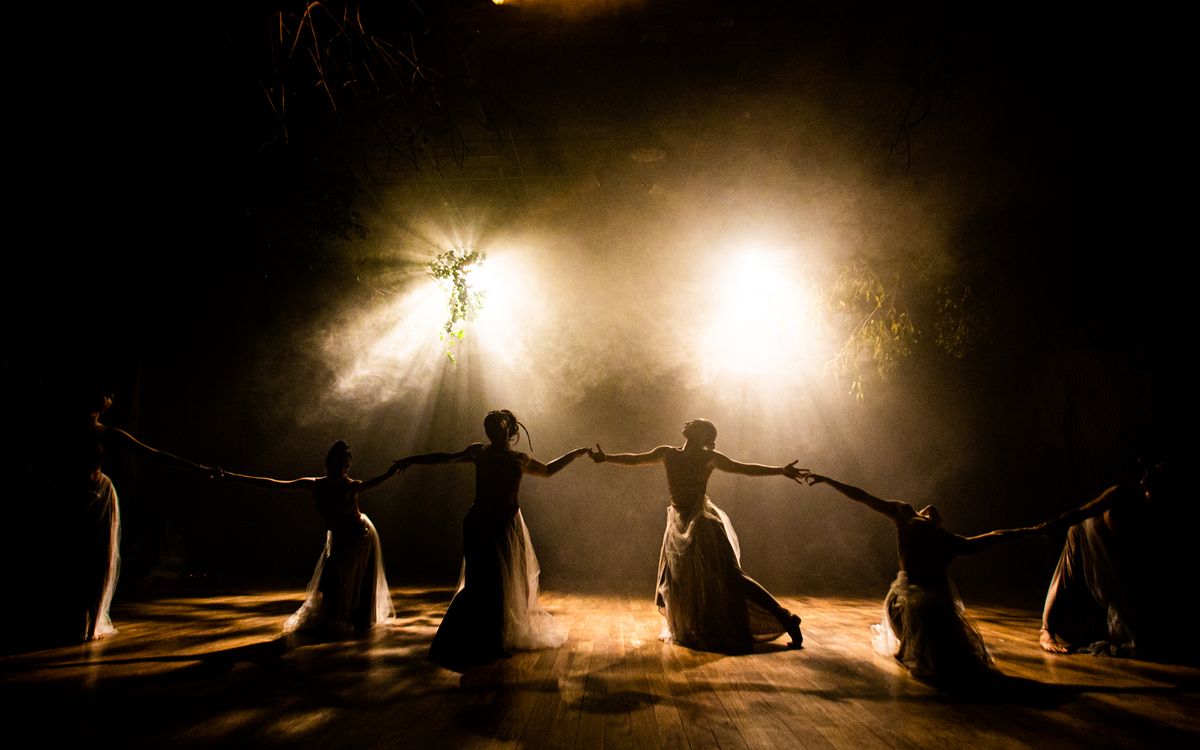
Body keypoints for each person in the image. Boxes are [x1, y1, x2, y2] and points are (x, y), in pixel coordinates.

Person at [803, 473, 1044, 688]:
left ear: (936, 523)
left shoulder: (931, 531)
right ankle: (914, 650)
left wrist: (1032, 531)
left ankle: (919, 653)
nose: (930, 508)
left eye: (933, 514)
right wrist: (829, 481)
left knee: (948, 658)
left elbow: (995, 536)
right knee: (934, 644)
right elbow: (865, 497)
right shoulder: (909, 517)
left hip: (923, 603)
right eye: (928, 510)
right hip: (908, 601)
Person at [393, 410, 588, 671]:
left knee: (503, 582)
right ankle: (467, 638)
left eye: (497, 425)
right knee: (480, 579)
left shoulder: (519, 458)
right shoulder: (479, 452)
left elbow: (548, 470)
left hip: (507, 523)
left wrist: (574, 454)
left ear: (508, 428)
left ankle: (495, 637)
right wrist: (413, 459)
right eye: (488, 426)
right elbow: (446, 457)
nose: (492, 430)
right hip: (481, 521)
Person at [589, 419, 805, 653]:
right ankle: (697, 627)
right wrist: (606, 457)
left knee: (732, 577)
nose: (688, 422)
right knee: (680, 578)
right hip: (678, 521)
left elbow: (744, 468)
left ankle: (786, 619)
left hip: (701, 522)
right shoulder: (668, 453)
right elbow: (636, 459)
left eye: (695, 423)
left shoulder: (708, 458)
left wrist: (781, 470)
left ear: (702, 435)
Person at [64, 389, 212, 642]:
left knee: (99, 557)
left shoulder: (107, 433)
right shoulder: (70, 431)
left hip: (99, 496)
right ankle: (69, 619)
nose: (106, 397)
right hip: (72, 495)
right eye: (102, 393)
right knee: (75, 556)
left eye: (109, 394)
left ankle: (89, 623)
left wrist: (198, 468)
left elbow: (153, 454)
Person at [219, 441, 398, 635]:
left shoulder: (350, 486)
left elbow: (371, 483)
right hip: (339, 535)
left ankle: (347, 617)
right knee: (333, 574)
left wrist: (389, 474)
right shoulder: (315, 484)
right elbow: (275, 484)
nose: (343, 470)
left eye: (345, 466)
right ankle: (334, 616)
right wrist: (233, 477)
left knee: (339, 571)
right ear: (329, 464)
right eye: (339, 465)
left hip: (358, 535)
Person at [1038, 462, 1182, 657]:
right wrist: (1053, 525)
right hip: (1085, 530)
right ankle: (1046, 629)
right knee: (1064, 574)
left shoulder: (1163, 514)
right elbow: (1083, 512)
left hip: (1110, 551)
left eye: (1153, 475)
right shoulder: (1123, 493)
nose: (1145, 477)